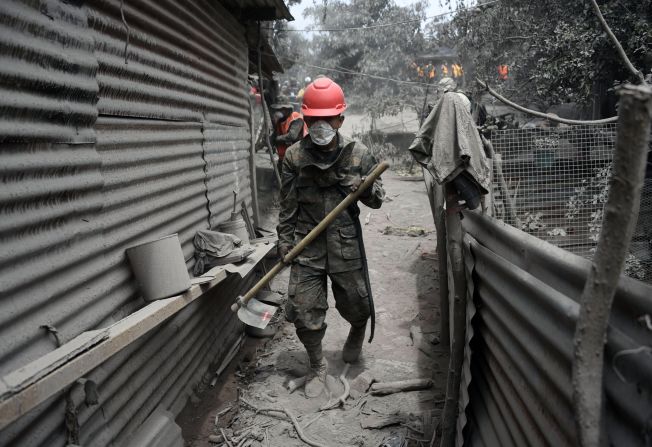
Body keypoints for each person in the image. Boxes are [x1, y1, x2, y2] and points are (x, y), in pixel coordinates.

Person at [277, 77, 385, 398]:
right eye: (314, 120)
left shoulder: (359, 154)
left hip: (345, 244)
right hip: (306, 244)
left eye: (328, 119)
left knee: (357, 303)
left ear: (340, 118)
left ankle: (356, 331)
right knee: (303, 309)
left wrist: (362, 186)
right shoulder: (294, 158)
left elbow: (377, 199)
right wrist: (284, 241)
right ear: (306, 120)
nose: (321, 125)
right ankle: (317, 366)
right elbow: (286, 206)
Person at [270, 96, 306, 173]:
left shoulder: (296, 118)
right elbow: (274, 135)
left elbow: (292, 136)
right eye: (277, 109)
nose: (278, 111)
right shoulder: (279, 121)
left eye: (281, 109)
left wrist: (276, 139)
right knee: (278, 178)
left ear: (286, 109)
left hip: (297, 157)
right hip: (283, 157)